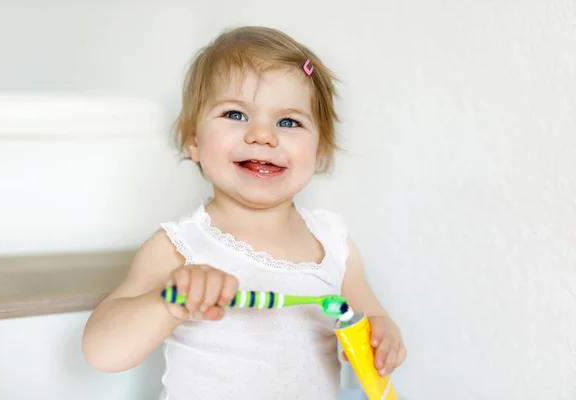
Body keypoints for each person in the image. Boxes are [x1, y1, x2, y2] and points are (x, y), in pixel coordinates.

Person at [82, 25, 406, 400]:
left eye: (288, 122)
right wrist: (169, 302)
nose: (263, 135)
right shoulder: (180, 247)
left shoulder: (334, 244)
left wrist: (384, 337)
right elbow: (102, 352)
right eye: (236, 115)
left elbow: (368, 326)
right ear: (194, 142)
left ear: (318, 153)